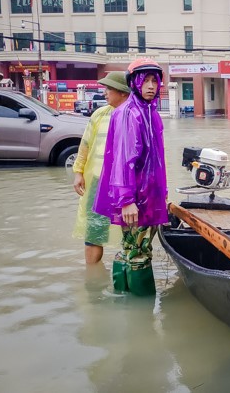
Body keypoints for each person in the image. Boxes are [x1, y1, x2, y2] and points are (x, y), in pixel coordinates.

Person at [94, 58, 168, 296]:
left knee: (129, 247)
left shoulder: (150, 112)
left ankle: (122, 296)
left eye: (154, 81)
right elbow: (124, 160)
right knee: (140, 251)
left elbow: (156, 161)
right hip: (136, 198)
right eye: (144, 80)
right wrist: (126, 200)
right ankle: (142, 306)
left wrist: (162, 195)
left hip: (148, 196)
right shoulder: (130, 113)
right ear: (133, 83)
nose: (150, 86)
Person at [72, 71, 130, 264]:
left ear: (122, 92)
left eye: (109, 89)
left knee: (130, 234)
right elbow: (85, 145)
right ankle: (93, 279)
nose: (105, 93)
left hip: (126, 187)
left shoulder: (134, 116)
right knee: (94, 231)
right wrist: (79, 173)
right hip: (98, 182)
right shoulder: (99, 115)